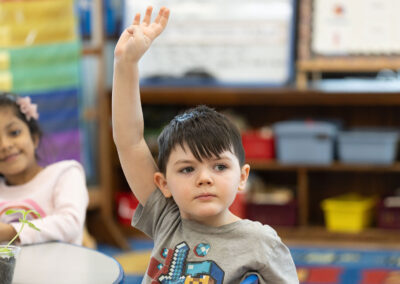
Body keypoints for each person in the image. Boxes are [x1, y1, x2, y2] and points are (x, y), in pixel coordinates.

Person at [112, 6, 298, 283]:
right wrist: (126, 65)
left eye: (219, 166)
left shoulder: (261, 243)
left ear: (242, 176)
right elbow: (130, 141)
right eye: (187, 169)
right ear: (163, 184)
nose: (204, 179)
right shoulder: (167, 218)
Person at [0, 92, 88, 245]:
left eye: (14, 133)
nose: (5, 145)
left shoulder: (65, 173)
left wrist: (10, 231)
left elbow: (70, 223)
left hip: (62, 268)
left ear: (34, 138)